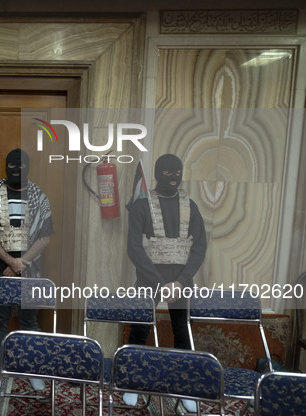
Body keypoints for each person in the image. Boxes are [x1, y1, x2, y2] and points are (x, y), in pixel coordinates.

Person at [126, 154, 207, 411]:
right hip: (150, 280)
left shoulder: (191, 206)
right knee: (139, 330)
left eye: (178, 171)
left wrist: (181, 282)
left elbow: (200, 248)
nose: (174, 177)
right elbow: (134, 250)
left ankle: (184, 388)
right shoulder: (141, 206)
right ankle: (132, 383)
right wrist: (161, 283)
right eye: (168, 172)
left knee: (182, 332)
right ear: (158, 174)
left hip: (181, 283)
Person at [0, 148, 54, 391]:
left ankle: (32, 369)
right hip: (0, 269)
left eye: (21, 166)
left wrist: (21, 262)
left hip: (30, 269)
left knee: (29, 321)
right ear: (5, 166)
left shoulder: (38, 195)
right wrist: (10, 262)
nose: (16, 170)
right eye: (11, 165)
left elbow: (45, 236)